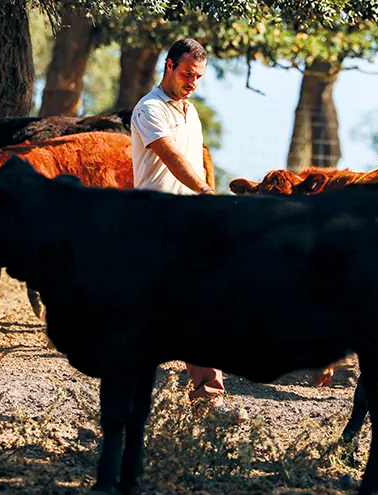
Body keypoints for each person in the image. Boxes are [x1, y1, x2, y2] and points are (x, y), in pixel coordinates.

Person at [130, 38, 246, 423]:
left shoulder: (190, 111)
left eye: (198, 76)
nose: (192, 81)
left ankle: (207, 400)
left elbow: (194, 161)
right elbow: (171, 157)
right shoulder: (149, 109)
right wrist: (205, 190)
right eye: (186, 73)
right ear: (168, 65)